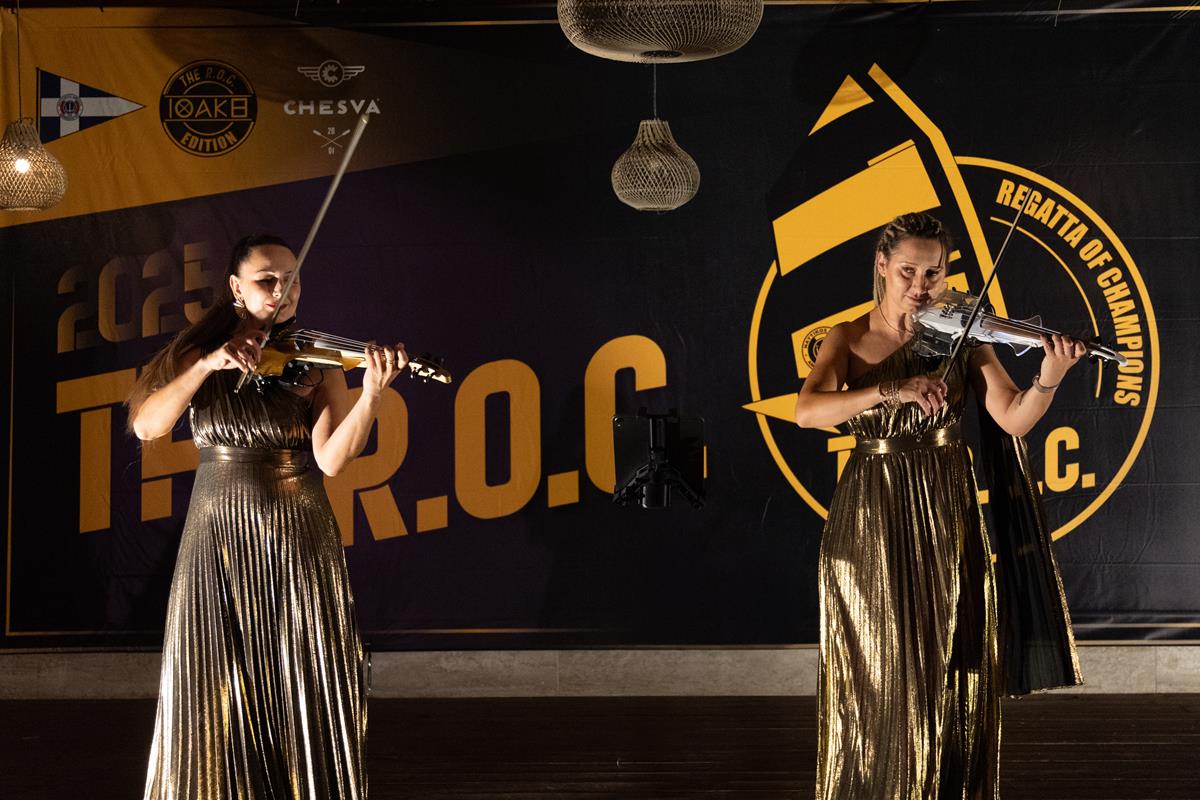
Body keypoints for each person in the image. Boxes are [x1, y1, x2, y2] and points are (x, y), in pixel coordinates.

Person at [794, 213, 1084, 799]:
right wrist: (891, 389)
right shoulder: (847, 338)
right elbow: (807, 411)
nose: (920, 286)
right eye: (907, 271)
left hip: (946, 514)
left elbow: (1013, 417)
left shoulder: (961, 335)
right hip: (873, 515)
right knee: (884, 668)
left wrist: (1050, 376)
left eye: (933, 273)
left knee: (952, 660)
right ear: (882, 266)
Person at [126, 234, 407, 800]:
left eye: (292, 279)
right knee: (213, 675)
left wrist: (372, 394)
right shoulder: (199, 354)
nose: (283, 290)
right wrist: (208, 363)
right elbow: (148, 426)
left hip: (296, 535)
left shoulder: (318, 363)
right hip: (217, 536)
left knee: (297, 671)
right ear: (236, 288)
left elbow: (331, 461)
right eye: (267, 280)